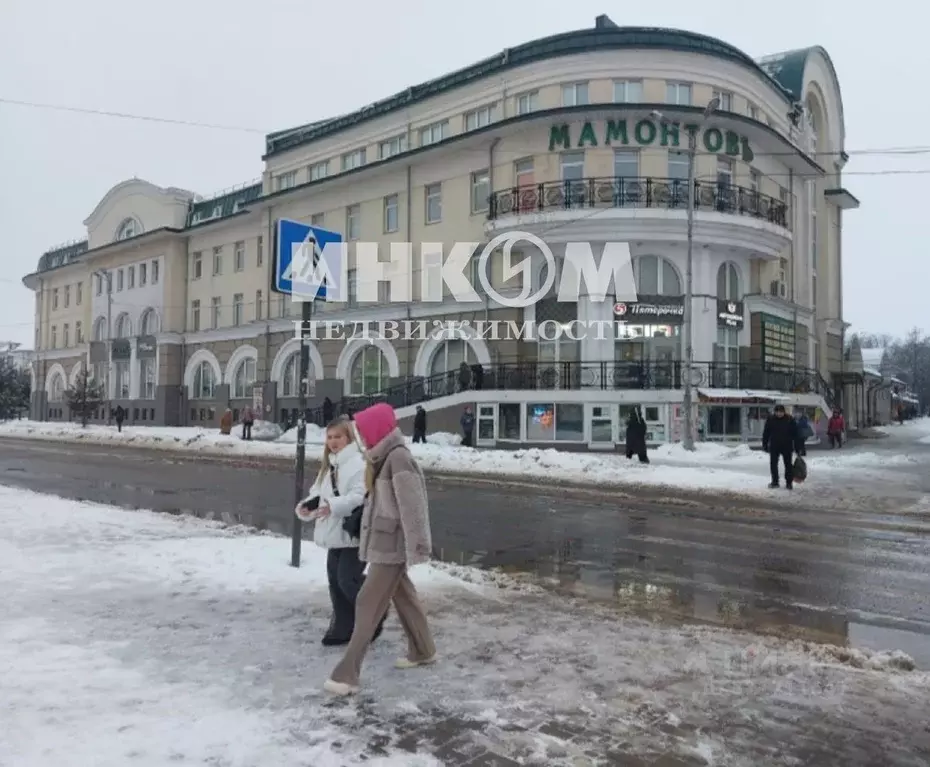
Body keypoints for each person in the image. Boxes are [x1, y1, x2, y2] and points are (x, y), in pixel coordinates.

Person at [324, 403, 436, 697]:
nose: (360, 436)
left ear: (376, 429)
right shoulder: (383, 457)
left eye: (362, 430)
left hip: (393, 545)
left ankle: (347, 674)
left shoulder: (398, 458)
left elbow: (413, 508)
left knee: (366, 603)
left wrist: (418, 546)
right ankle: (423, 649)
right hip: (385, 542)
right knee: (405, 597)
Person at [295, 417, 384, 646]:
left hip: (353, 533)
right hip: (333, 532)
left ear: (349, 438)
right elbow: (318, 491)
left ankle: (375, 613)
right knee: (335, 582)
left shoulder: (358, 463)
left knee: (348, 580)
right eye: (330, 437)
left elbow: (359, 496)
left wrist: (332, 506)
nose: (333, 442)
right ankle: (343, 627)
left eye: (338, 437)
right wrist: (310, 505)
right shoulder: (330, 465)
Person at [762, 404, 803, 489]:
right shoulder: (770, 419)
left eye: (781, 412)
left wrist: (797, 447)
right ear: (775, 412)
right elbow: (766, 433)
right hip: (774, 445)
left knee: (788, 465)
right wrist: (765, 444)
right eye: (777, 412)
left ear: (784, 412)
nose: (779, 414)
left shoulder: (789, 419)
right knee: (773, 464)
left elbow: (795, 434)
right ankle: (775, 481)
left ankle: (789, 483)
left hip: (787, 446)